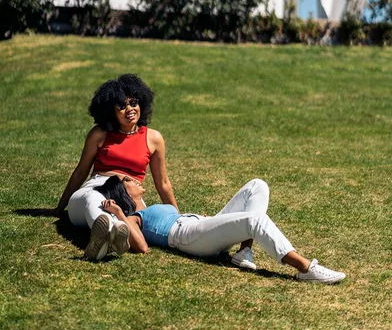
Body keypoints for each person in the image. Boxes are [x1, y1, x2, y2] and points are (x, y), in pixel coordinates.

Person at [94, 175, 346, 284]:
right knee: (254, 221)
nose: (136, 179)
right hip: (188, 237)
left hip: (199, 227)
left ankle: (244, 252)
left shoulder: (150, 207)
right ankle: (304, 268)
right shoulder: (136, 216)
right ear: (122, 192)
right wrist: (118, 214)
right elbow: (142, 247)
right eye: (128, 181)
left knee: (256, 187)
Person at [52, 74, 179, 259]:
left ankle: (111, 233)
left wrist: (177, 217)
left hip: (129, 195)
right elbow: (81, 171)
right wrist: (59, 208)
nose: (130, 109)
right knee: (92, 199)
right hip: (97, 186)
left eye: (134, 103)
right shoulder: (99, 134)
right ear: (111, 111)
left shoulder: (153, 138)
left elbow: (164, 183)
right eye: (121, 105)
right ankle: (111, 230)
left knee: (139, 217)